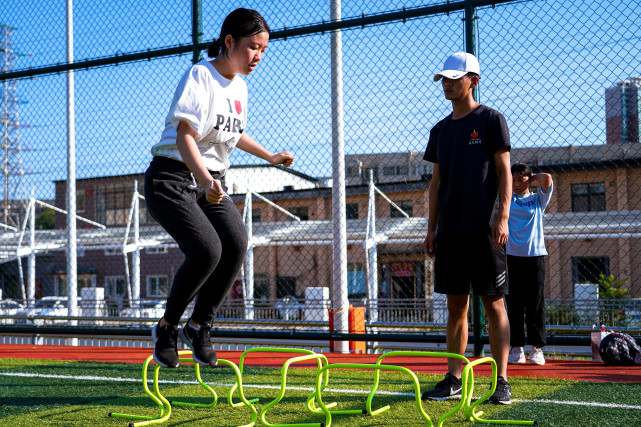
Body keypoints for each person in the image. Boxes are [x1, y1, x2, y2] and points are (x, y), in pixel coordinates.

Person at [144, 8, 294, 368]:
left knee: (237, 243)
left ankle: (198, 327)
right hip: (172, 179)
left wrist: (270, 156)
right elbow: (185, 136)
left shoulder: (240, 85)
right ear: (229, 42)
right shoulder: (200, 75)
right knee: (208, 249)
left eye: (263, 50)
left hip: (209, 181)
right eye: (252, 47)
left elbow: (233, 131)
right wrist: (205, 180)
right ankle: (166, 327)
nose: (258, 56)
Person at [421, 52, 513, 404]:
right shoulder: (440, 130)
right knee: (456, 305)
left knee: (494, 303)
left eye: (454, 78)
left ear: (473, 80)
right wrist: (432, 229)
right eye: (443, 78)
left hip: (485, 230)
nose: (447, 83)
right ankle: (454, 377)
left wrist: (501, 217)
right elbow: (436, 184)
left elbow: (504, 172)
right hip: (451, 231)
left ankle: (501, 380)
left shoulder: (491, 120)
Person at [505, 164, 553, 366]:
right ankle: (516, 348)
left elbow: (547, 179)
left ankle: (537, 348)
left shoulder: (537, 199)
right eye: (513, 180)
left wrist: (531, 177)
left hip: (535, 256)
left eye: (521, 179)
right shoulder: (506, 199)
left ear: (529, 180)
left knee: (536, 303)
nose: (516, 184)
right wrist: (511, 180)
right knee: (514, 304)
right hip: (511, 257)